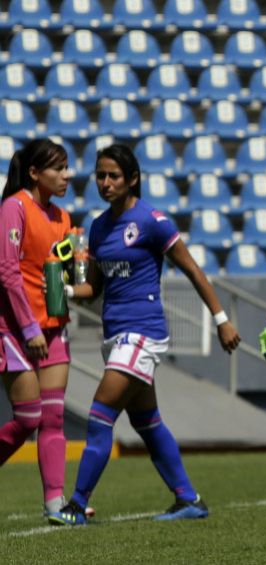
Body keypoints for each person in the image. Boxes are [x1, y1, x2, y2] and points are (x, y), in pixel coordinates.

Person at [48, 144, 241, 525]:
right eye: (100, 176)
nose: (104, 183)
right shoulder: (99, 227)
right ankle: (189, 499)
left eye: (113, 176)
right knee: (146, 421)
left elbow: (193, 271)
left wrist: (221, 319)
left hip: (143, 333)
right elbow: (96, 289)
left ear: (132, 178)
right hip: (115, 335)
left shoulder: (153, 220)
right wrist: (66, 289)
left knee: (100, 415)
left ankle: (76, 505)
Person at [0, 139, 74, 520]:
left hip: (54, 329)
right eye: (58, 169)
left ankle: (55, 503)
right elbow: (8, 272)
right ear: (34, 173)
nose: (67, 175)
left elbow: (69, 273)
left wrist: (77, 279)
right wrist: (28, 326)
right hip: (15, 330)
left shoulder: (63, 217)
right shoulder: (13, 208)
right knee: (27, 418)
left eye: (67, 168)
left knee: (54, 418)